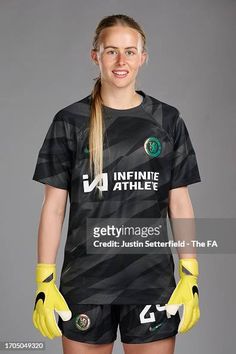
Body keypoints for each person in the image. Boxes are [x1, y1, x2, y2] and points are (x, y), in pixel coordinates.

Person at [32, 13, 201, 354]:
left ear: (143, 57)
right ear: (95, 56)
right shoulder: (70, 121)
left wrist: (190, 271)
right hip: (86, 284)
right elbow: (53, 208)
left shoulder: (167, 120)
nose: (121, 61)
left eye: (129, 51)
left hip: (151, 283)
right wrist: (44, 281)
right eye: (111, 51)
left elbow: (179, 202)